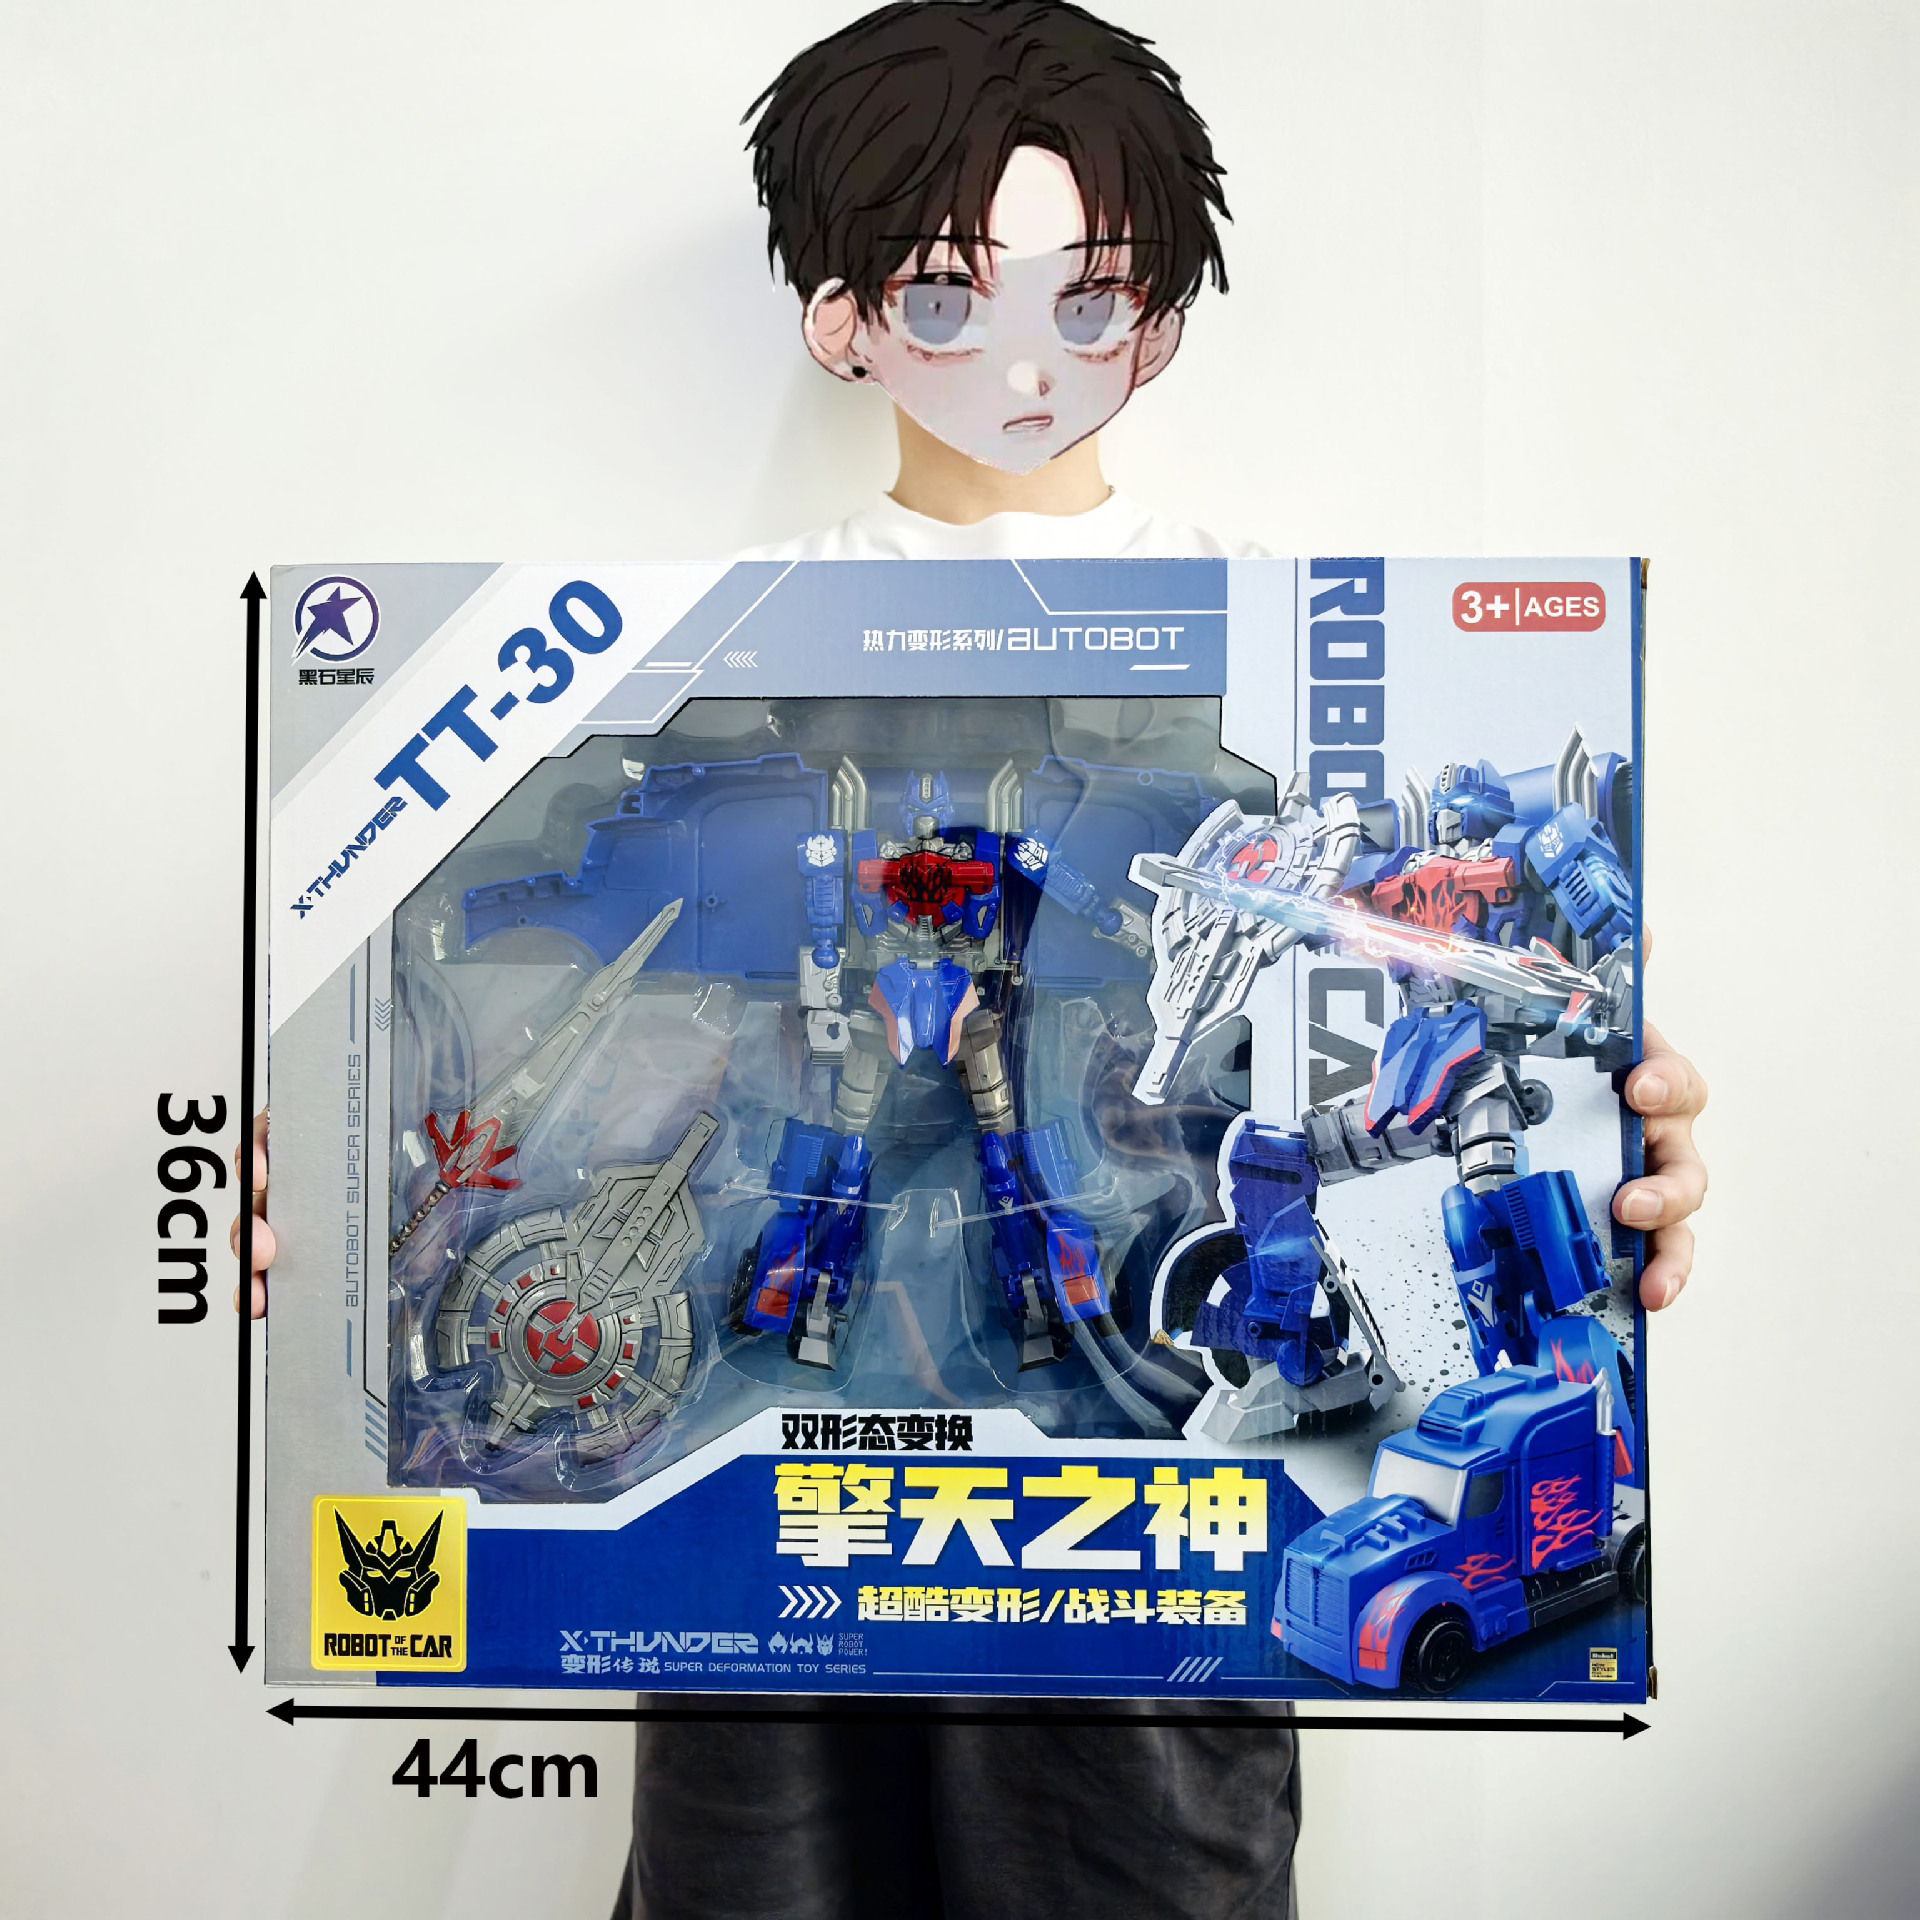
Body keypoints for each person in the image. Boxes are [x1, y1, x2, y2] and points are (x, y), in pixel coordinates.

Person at [237, 6, 1709, 1915]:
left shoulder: (1296, 656)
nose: (1023, 355)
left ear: (1154, 314)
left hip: (1137, 1517)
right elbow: (514, 955)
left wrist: (1605, 1134)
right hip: (759, 1492)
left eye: (1084, 296)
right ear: (842, 317)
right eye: (947, 295)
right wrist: (353, 1180)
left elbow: (1454, 987)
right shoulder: (700, 648)